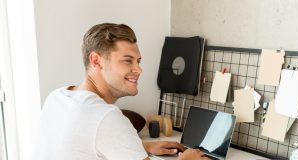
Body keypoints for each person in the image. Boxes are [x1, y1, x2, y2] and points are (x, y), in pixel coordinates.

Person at [32, 23, 210, 160]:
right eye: (127, 61)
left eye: (138, 61)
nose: (138, 69)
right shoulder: (106, 117)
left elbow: (83, 142)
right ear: (96, 61)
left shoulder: (58, 97)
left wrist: (140, 146)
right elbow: (102, 128)